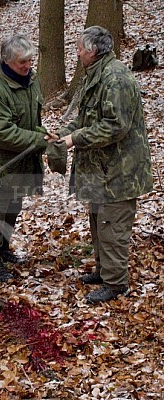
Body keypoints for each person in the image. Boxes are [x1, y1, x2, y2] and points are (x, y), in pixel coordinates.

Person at [58, 26, 153, 303]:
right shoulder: (96, 74)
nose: (76, 53)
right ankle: (104, 271)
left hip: (120, 171)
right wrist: (66, 132)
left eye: (80, 48)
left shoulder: (115, 78)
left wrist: (75, 138)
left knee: (113, 227)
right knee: (99, 221)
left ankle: (116, 284)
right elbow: (90, 117)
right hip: (101, 170)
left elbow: (114, 127)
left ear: (94, 51)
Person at [0, 34, 52, 282]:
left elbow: (30, 116)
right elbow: (1, 134)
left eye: (30, 60)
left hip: (19, 161)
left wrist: (41, 132)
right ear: (6, 61)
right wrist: (38, 140)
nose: (27, 66)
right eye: (22, 63)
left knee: (12, 207)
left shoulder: (30, 80)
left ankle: (3, 249)